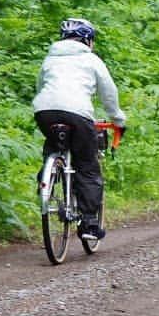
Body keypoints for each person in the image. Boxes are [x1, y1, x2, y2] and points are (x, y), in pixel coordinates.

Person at [33, 18, 127, 242]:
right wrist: (118, 120)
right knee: (87, 165)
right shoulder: (91, 60)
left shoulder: (49, 60)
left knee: (55, 143)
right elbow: (109, 94)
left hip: (44, 111)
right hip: (77, 112)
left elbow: (39, 87)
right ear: (88, 40)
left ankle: (48, 175)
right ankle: (89, 223)